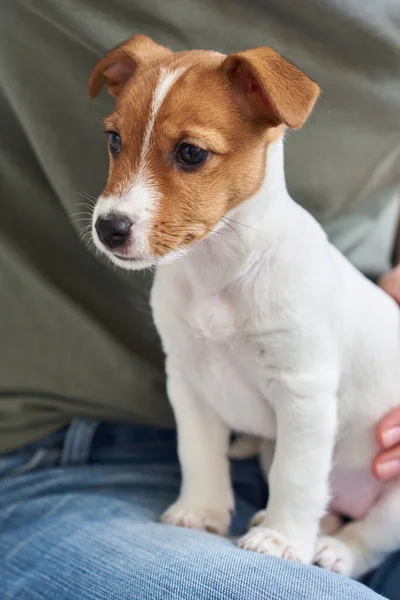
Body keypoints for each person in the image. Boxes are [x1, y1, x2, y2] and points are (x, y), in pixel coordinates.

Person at [0, 1, 399, 598]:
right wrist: (206, 497)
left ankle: (352, 540)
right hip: (79, 460)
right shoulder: (179, 279)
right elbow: (190, 376)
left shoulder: (296, 277)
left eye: (189, 155)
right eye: (117, 143)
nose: (120, 204)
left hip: (347, 481)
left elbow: (307, 400)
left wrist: (296, 526)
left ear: (271, 120)